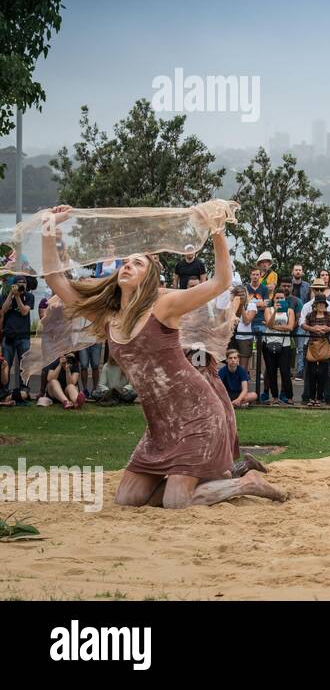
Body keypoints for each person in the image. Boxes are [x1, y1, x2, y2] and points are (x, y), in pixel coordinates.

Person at [41, 203, 283, 508]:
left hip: (198, 414)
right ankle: (225, 476)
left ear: (150, 277)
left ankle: (246, 483)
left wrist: (217, 229)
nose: (127, 265)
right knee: (128, 499)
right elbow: (56, 281)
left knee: (176, 502)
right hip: (159, 426)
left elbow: (221, 281)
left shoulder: (164, 307)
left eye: (138, 263)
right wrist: (50, 227)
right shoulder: (108, 316)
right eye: (125, 262)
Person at [0, 275, 34, 405]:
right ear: (13, 285)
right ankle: (4, 392)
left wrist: (18, 296)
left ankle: (24, 391)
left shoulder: (29, 296)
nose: (22, 285)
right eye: (19, 283)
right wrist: (11, 295)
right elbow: (3, 310)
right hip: (8, 336)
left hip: (23, 336)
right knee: (5, 366)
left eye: (23, 283)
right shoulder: (6, 295)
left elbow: (25, 311)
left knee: (24, 366)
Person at [261, 281, 297, 405]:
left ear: (285, 298)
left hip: (285, 344)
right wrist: (275, 312)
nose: (280, 300)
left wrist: (273, 327)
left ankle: (289, 396)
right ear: (273, 298)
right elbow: (269, 323)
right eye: (277, 298)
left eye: (282, 298)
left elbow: (290, 327)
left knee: (285, 372)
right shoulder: (268, 309)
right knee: (271, 372)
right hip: (268, 343)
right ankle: (275, 397)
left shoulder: (290, 311)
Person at [301, 296, 330, 407]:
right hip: (312, 345)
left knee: (323, 373)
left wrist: (327, 328)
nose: (321, 305)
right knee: (311, 373)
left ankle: (319, 398)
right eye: (318, 303)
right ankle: (311, 397)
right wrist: (313, 328)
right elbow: (303, 325)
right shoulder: (310, 315)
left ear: (325, 305)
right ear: (315, 305)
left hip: (325, 344)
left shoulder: (329, 316)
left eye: (323, 303)